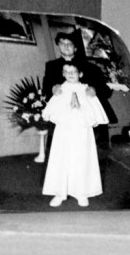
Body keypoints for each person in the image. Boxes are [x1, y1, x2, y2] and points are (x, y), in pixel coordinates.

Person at [41, 62, 108, 207]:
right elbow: (51, 111)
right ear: (63, 74)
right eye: (66, 71)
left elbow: (94, 113)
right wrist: (67, 108)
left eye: (74, 71)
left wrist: (80, 109)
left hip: (82, 132)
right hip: (64, 132)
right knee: (61, 159)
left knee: (82, 159)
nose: (70, 74)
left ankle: (82, 193)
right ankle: (59, 193)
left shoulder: (86, 90)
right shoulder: (60, 90)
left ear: (80, 74)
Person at [42, 31, 116, 159]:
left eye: (69, 43)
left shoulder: (92, 68)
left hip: (87, 120)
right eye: (62, 43)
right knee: (61, 155)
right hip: (63, 120)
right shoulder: (51, 66)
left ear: (75, 47)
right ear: (58, 46)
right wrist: (52, 89)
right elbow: (45, 89)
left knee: (91, 156)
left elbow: (106, 91)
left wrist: (95, 90)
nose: (66, 46)